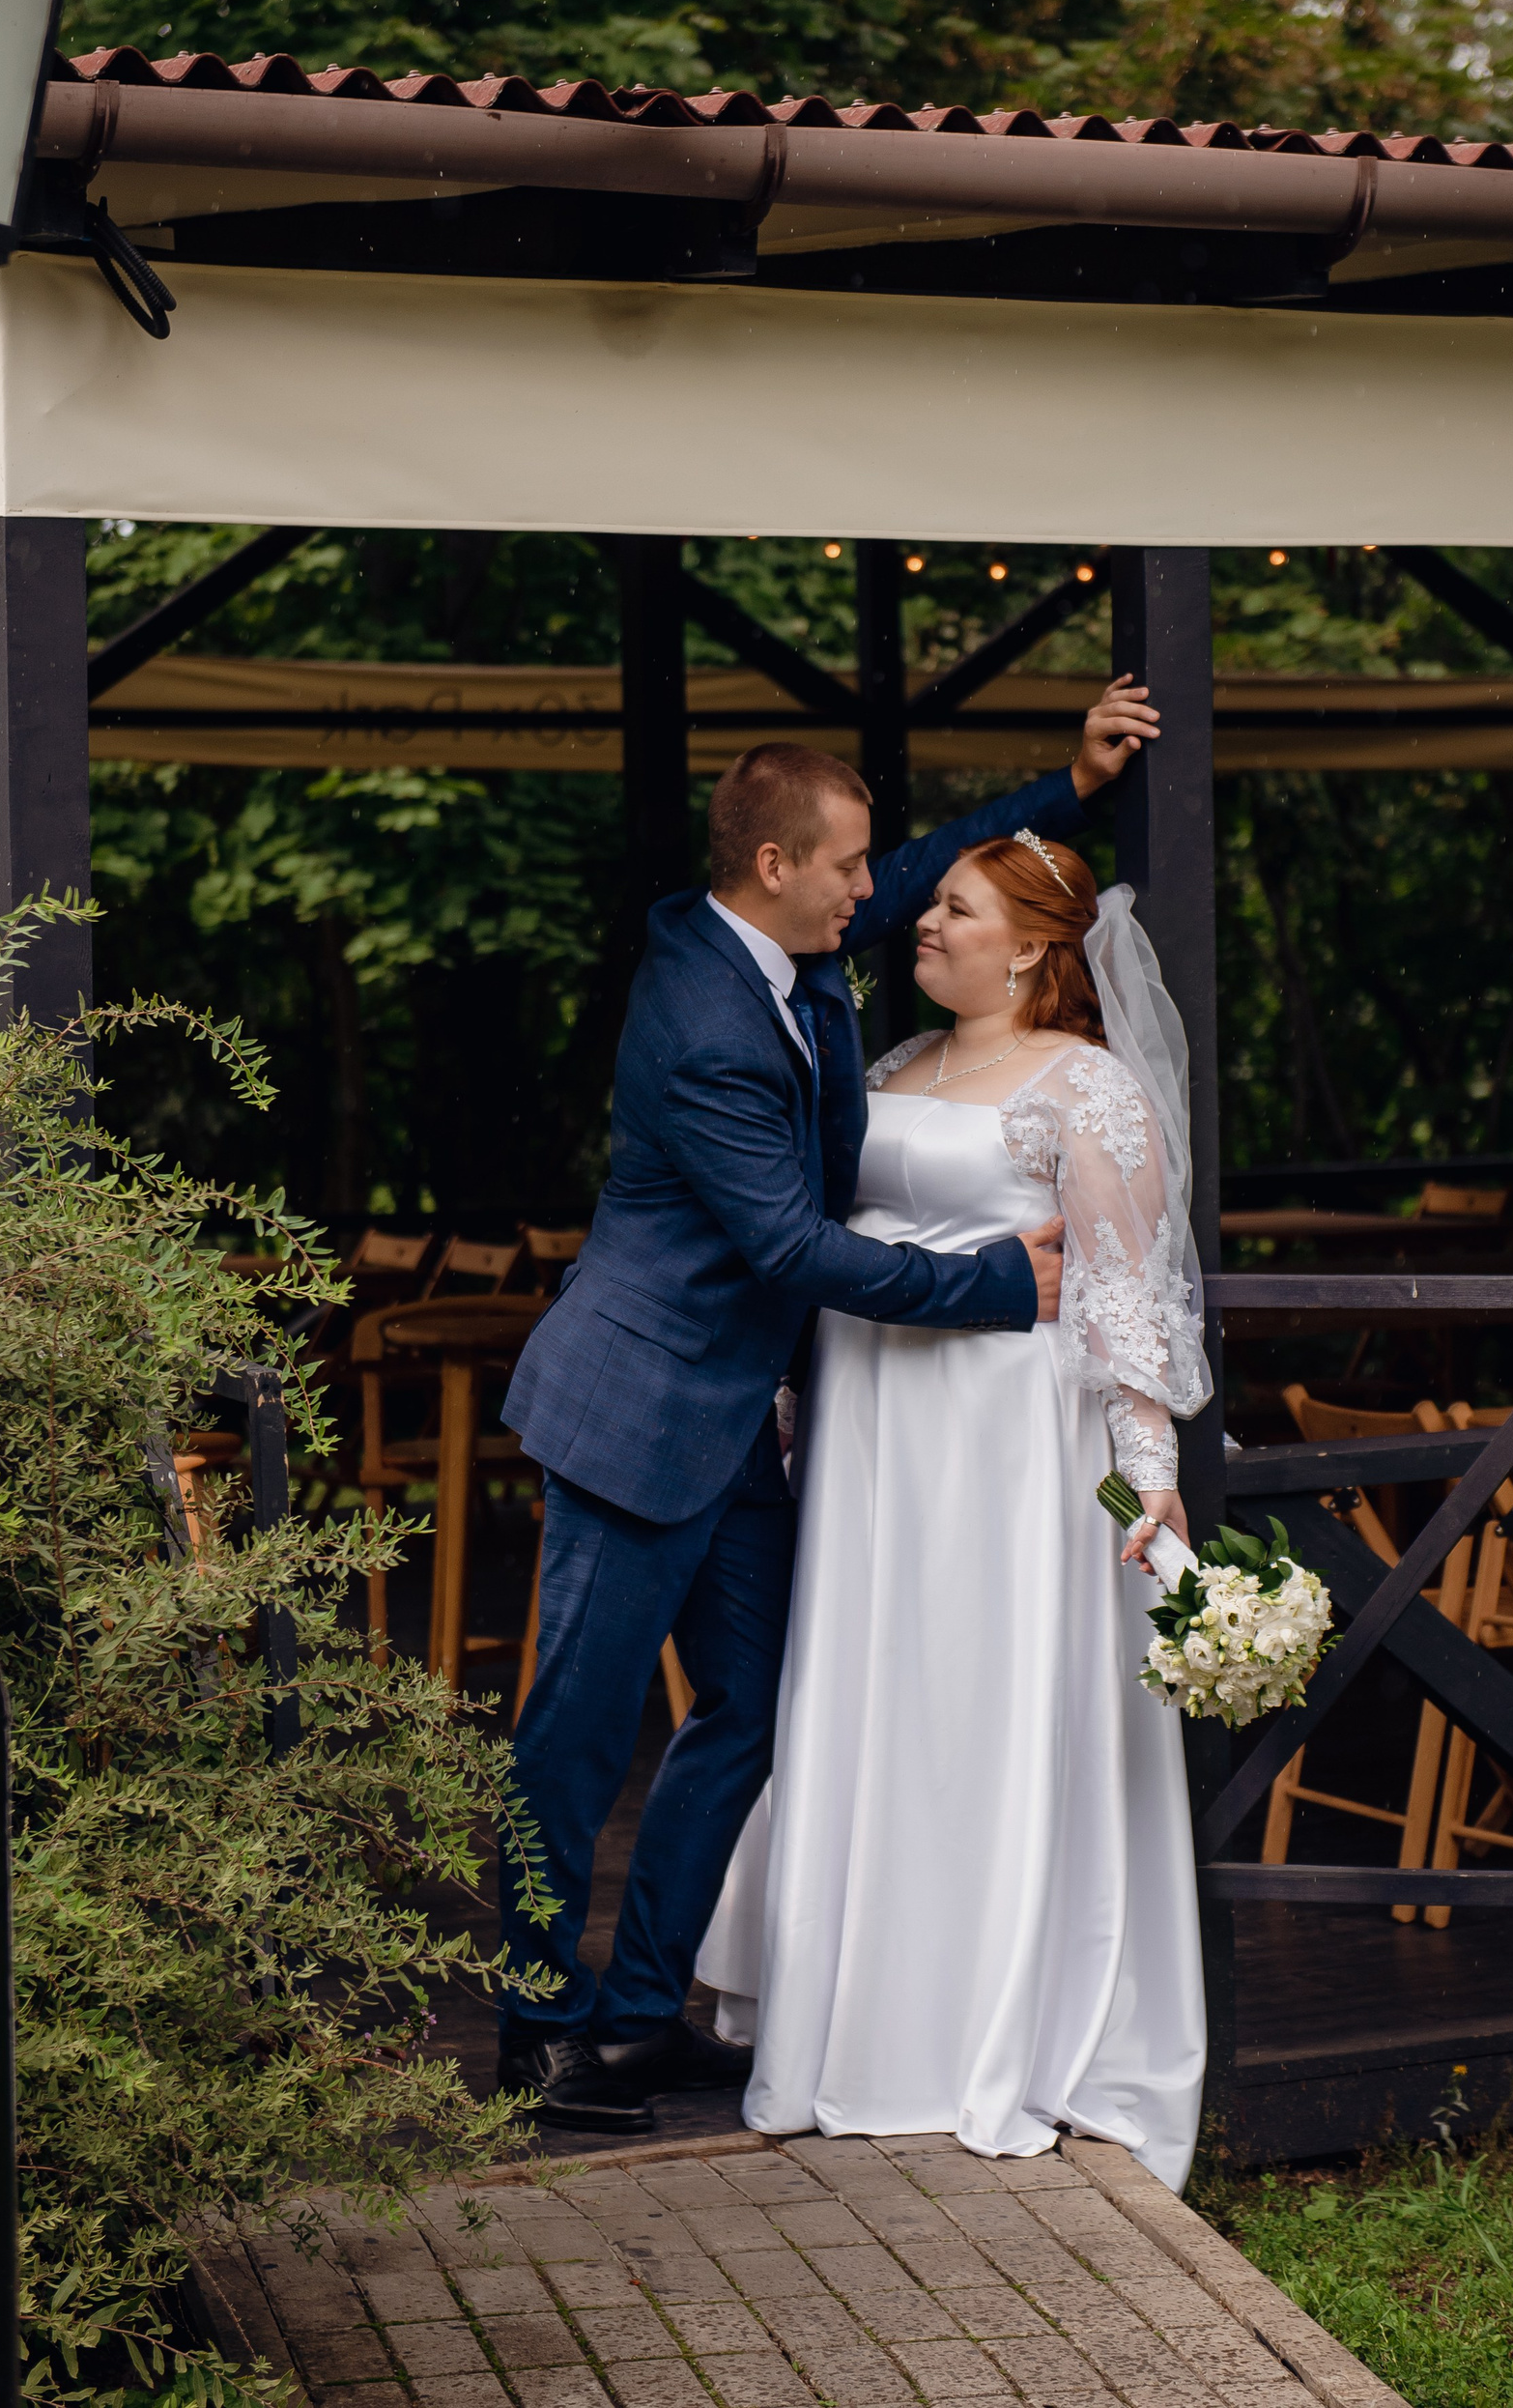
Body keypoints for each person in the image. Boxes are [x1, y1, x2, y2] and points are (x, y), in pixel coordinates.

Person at [497, 680, 1159, 2134]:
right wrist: (1000, 1284)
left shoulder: (778, 936)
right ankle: (537, 2029)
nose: (877, 890)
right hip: (637, 1409)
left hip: (738, 1423)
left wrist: (1067, 786)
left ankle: (638, 2016)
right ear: (777, 866)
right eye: (850, 868)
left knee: (749, 1711)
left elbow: (927, 872)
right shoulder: (703, 1021)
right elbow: (793, 1251)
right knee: (577, 1736)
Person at [696, 830, 1213, 2186]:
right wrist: (794, 1410)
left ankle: (984, 2025)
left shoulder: (1085, 1086)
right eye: (929, 904)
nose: (923, 923)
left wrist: (1150, 1471)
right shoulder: (891, 1069)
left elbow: (1125, 1297)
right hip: (872, 1434)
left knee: (984, 1700)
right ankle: (859, 2018)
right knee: (877, 1695)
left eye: (957, 910)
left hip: (1002, 1441)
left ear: (1032, 947)